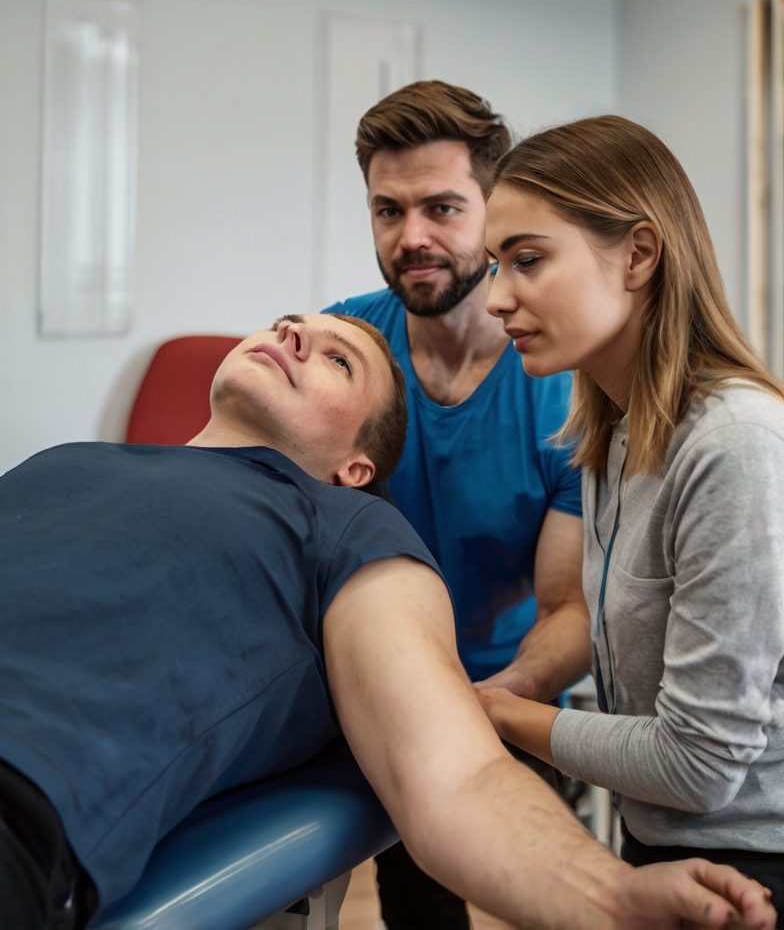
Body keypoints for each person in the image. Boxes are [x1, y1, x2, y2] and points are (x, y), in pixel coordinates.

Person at [0, 312, 775, 930]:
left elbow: (457, 774)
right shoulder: (67, 460)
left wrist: (605, 896)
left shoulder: (345, 529)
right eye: (282, 323)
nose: (290, 334)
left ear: (356, 468)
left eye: (340, 362)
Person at [479, 115, 784, 919]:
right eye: (493, 265)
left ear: (640, 255)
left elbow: (699, 762)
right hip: (655, 840)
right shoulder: (610, 435)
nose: (496, 298)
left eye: (527, 260)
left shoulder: (734, 442)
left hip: (752, 870)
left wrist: (501, 714)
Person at [326, 81, 588, 930]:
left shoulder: (561, 385)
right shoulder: (344, 350)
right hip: (383, 688)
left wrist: (490, 702)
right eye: (387, 211)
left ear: (495, 211)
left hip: (515, 685)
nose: (413, 238)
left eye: (442, 207)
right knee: (418, 902)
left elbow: (569, 606)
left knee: (552, 894)